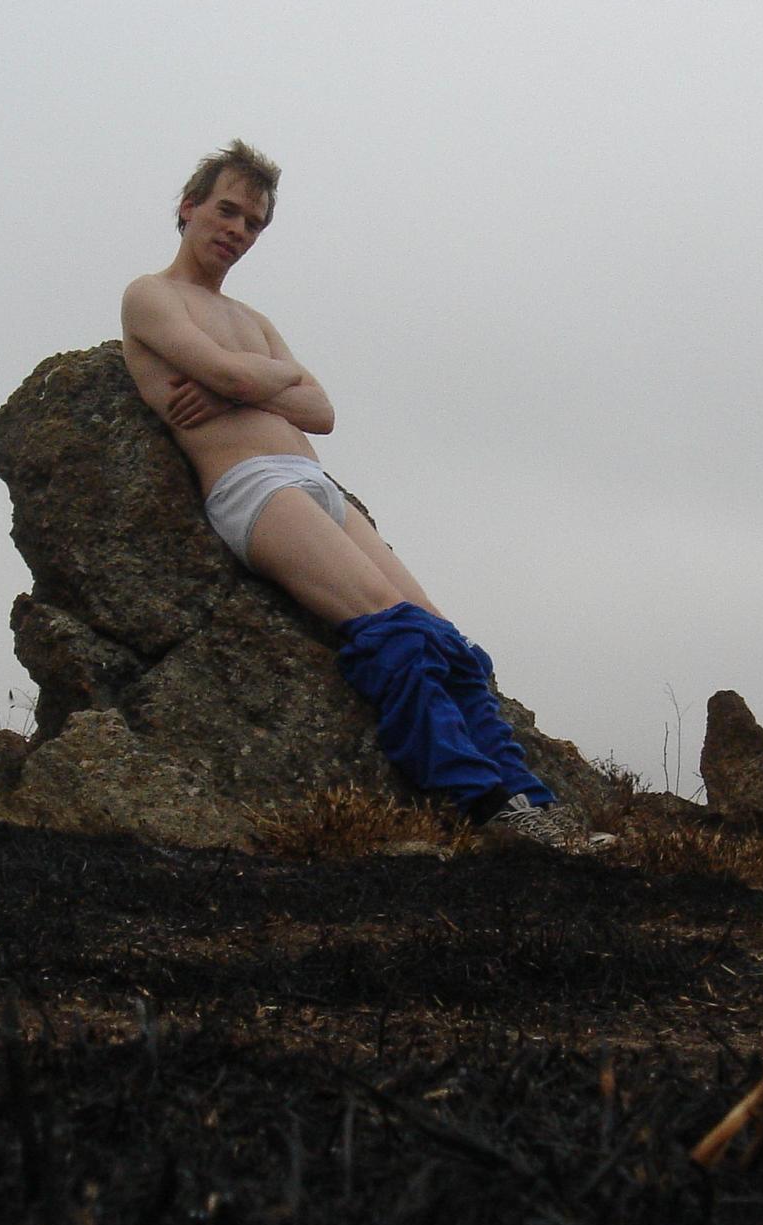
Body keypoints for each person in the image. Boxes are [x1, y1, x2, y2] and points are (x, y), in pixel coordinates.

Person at [119, 140, 609, 853]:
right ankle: (482, 805)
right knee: (394, 632)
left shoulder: (253, 319)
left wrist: (244, 379)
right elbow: (240, 376)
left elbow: (320, 412)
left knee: (452, 645)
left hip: (319, 487)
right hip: (252, 488)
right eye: (226, 211)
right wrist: (264, 379)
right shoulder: (150, 296)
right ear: (188, 208)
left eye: (253, 223)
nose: (236, 231)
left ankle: (533, 803)